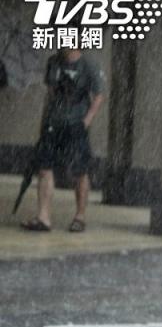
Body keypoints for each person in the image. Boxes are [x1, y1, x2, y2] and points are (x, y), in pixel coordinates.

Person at [21, 47, 104, 232]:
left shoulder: (88, 65)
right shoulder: (53, 62)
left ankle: (80, 216)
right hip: (53, 124)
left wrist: (86, 121)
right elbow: (50, 94)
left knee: (79, 171)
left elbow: (98, 96)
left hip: (76, 124)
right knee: (44, 168)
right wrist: (44, 123)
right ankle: (43, 217)